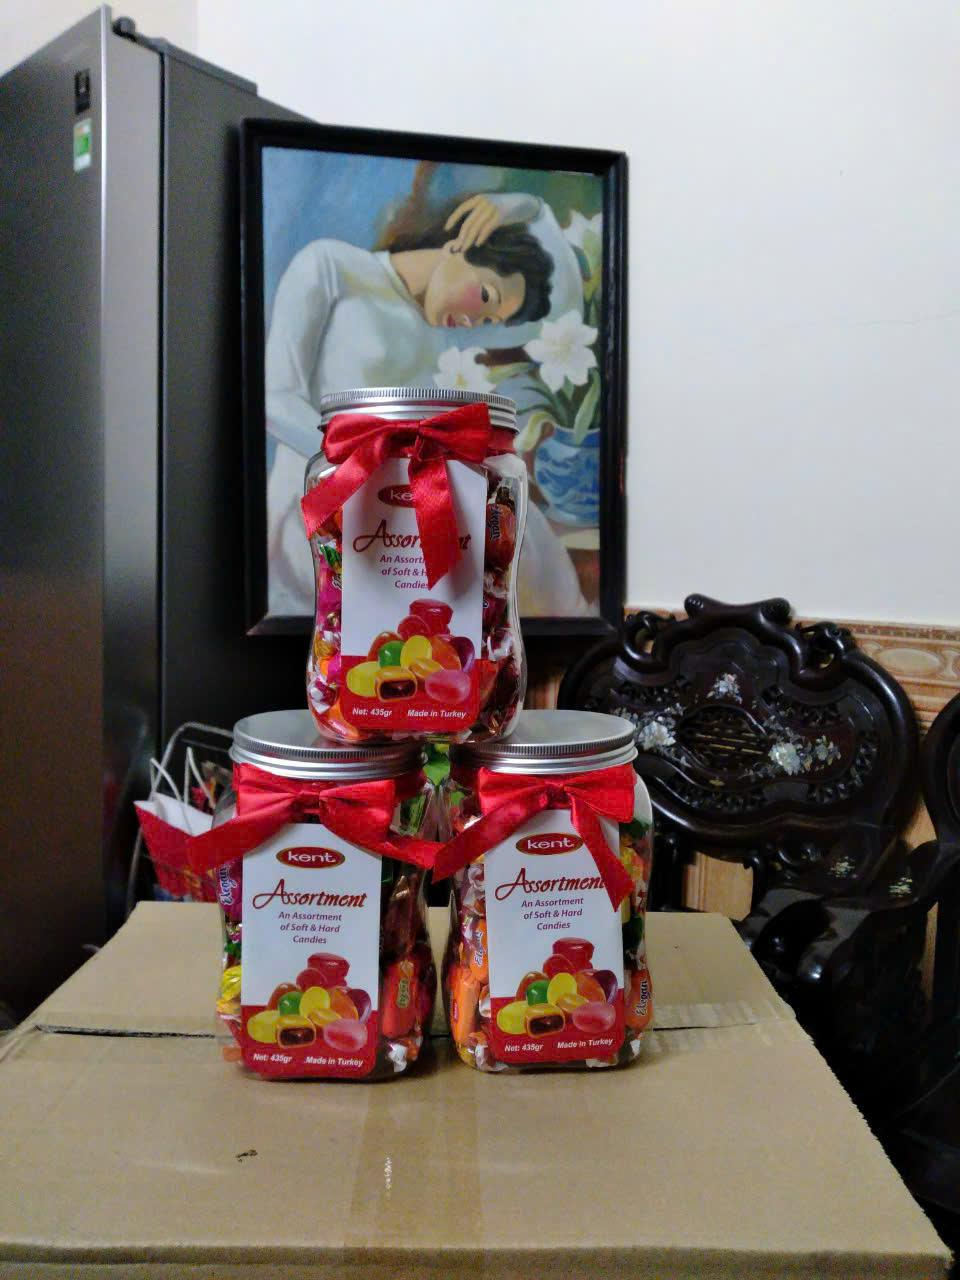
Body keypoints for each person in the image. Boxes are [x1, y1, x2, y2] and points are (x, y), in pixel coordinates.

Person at [264, 192, 590, 618]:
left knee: (519, 527)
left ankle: (569, 639)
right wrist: (365, 460)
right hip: (326, 499)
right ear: (460, 246)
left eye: (489, 321)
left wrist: (519, 206)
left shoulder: (442, 335)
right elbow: (274, 398)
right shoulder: (332, 266)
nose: (475, 322)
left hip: (408, 493)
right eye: (486, 296)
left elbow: (568, 305)